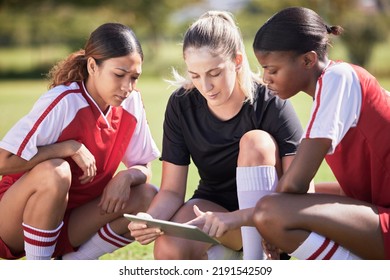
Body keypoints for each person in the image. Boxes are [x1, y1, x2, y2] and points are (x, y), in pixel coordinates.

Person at [128, 10, 303, 260]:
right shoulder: (181, 104)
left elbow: (301, 188)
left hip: (268, 219)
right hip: (212, 210)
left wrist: (255, 221)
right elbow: (171, 191)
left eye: (214, 73)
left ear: (237, 60)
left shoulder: (270, 101)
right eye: (195, 75)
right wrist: (150, 219)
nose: (206, 87)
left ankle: (257, 261)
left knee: (255, 141)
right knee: (168, 248)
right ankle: (230, 253)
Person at [0, 22, 160, 260]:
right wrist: (67, 148)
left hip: (71, 221)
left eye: (134, 77)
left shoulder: (131, 103)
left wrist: (126, 176)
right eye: (119, 75)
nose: (127, 87)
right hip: (13, 223)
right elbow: (3, 161)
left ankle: (76, 263)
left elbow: (144, 166)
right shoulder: (64, 101)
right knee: (57, 170)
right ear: (93, 66)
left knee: (147, 195)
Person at [252, 6, 390, 260]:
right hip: (379, 210)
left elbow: (296, 182)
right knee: (276, 203)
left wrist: (251, 221)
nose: (265, 79)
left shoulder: (338, 79)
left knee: (270, 211)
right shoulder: (338, 81)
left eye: (272, 70)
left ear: (308, 60)